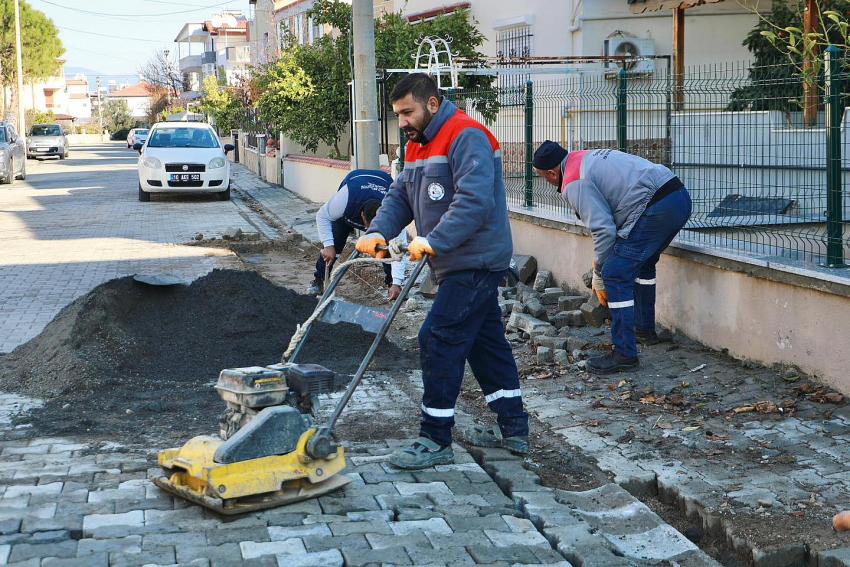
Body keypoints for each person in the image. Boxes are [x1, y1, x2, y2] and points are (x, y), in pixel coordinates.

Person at [355, 73, 529, 470]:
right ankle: (514, 428)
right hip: (454, 262)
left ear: (432, 104)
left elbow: (474, 201)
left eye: (407, 112)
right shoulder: (418, 144)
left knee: (437, 338)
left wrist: (434, 240)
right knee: (485, 344)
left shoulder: (467, 136)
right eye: (397, 114)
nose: (402, 121)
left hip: (476, 261)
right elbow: (400, 194)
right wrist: (378, 230)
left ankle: (435, 438)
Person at [533, 141, 692, 375]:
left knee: (615, 273)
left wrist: (599, 271)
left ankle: (625, 354)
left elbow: (604, 230)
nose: (545, 181)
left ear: (551, 173)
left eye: (542, 177)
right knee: (643, 264)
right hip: (678, 198)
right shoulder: (581, 158)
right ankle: (643, 329)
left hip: (657, 206)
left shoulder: (574, 181)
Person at [309, 169, 408, 300]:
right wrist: (328, 245)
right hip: (355, 188)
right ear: (362, 216)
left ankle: (392, 286)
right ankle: (318, 280)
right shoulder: (345, 200)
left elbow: (399, 250)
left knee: (388, 247)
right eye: (369, 226)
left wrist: (397, 282)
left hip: (383, 183)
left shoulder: (393, 212)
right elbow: (322, 215)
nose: (370, 230)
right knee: (334, 243)